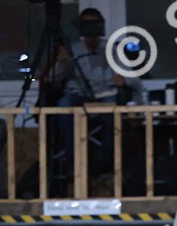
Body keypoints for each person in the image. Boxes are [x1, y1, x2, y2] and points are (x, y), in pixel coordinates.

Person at [51, 7, 144, 173]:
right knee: (63, 104)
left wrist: (124, 80)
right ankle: (75, 159)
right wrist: (62, 64)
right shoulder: (72, 50)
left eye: (94, 25)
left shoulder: (112, 50)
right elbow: (55, 81)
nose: (91, 30)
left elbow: (136, 82)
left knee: (112, 109)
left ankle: (104, 163)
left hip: (105, 95)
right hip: (77, 95)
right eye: (87, 25)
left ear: (101, 27)